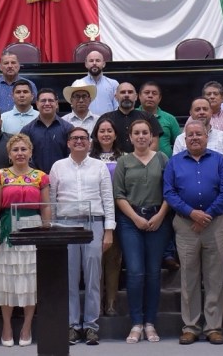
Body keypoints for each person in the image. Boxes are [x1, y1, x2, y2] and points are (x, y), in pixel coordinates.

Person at [163, 119, 223, 345]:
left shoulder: (219, 160)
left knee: (214, 277)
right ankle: (191, 326)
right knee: (189, 277)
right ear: (184, 138)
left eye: (198, 134)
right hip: (185, 224)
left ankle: (213, 327)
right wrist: (191, 213)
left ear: (206, 136)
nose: (194, 137)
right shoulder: (174, 162)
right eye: (190, 134)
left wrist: (208, 215)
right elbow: (169, 193)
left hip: (215, 223)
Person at [50, 127, 115, 346]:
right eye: (74, 138)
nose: (79, 141)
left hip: (93, 224)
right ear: (68, 143)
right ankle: (72, 325)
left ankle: (91, 326)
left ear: (89, 143)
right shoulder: (58, 166)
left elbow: (107, 199)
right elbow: (51, 201)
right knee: (68, 278)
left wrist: (109, 230)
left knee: (92, 278)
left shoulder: (100, 167)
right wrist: (52, 229)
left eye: (83, 138)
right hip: (65, 225)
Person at [0, 134, 51, 347]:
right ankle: (6, 326)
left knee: (30, 279)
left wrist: (47, 230)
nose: (20, 153)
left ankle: (26, 326)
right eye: (16, 150)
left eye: (24, 149)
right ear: (9, 154)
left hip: (33, 227)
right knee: (8, 278)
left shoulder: (40, 176)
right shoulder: (0, 175)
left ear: (31, 152)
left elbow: (46, 206)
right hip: (8, 228)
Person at [112, 119, 170, 344]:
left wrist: (160, 215)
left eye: (145, 132)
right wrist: (135, 218)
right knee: (135, 272)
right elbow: (118, 194)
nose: (141, 136)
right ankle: (136, 322)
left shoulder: (163, 159)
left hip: (158, 219)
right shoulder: (124, 162)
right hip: (130, 221)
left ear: (151, 136)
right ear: (130, 137)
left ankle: (150, 323)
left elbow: (170, 191)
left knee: (153, 273)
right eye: (137, 133)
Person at [90, 119, 123, 317]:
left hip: (117, 212)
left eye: (109, 130)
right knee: (94, 259)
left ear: (115, 134)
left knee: (113, 259)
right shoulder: (87, 157)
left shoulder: (125, 157)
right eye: (101, 131)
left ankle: (111, 302)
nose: (106, 134)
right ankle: (96, 303)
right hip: (94, 212)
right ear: (96, 134)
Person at [97, 82, 161, 153]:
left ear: (136, 96)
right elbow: (97, 143)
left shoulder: (148, 117)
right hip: (113, 161)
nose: (126, 95)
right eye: (123, 92)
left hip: (142, 162)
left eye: (130, 92)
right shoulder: (105, 118)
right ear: (116, 97)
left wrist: (142, 159)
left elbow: (154, 143)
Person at [21, 88, 73, 173]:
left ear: (56, 104)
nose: (47, 103)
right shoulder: (27, 130)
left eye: (51, 100)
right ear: (37, 104)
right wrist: (38, 175)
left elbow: (71, 156)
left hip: (63, 177)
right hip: (34, 179)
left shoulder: (68, 129)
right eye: (43, 101)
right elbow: (24, 156)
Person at [136, 81, 180, 157]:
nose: (150, 96)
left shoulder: (170, 119)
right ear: (139, 96)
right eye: (146, 92)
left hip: (165, 165)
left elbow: (180, 144)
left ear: (159, 98)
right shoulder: (132, 115)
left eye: (154, 93)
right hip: (136, 164)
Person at [71, 50, 119, 115]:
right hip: (85, 124)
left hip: (108, 123)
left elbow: (117, 108)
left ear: (103, 64)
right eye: (91, 61)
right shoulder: (79, 83)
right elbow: (74, 108)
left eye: (97, 60)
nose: (94, 63)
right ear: (86, 64)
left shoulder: (113, 84)